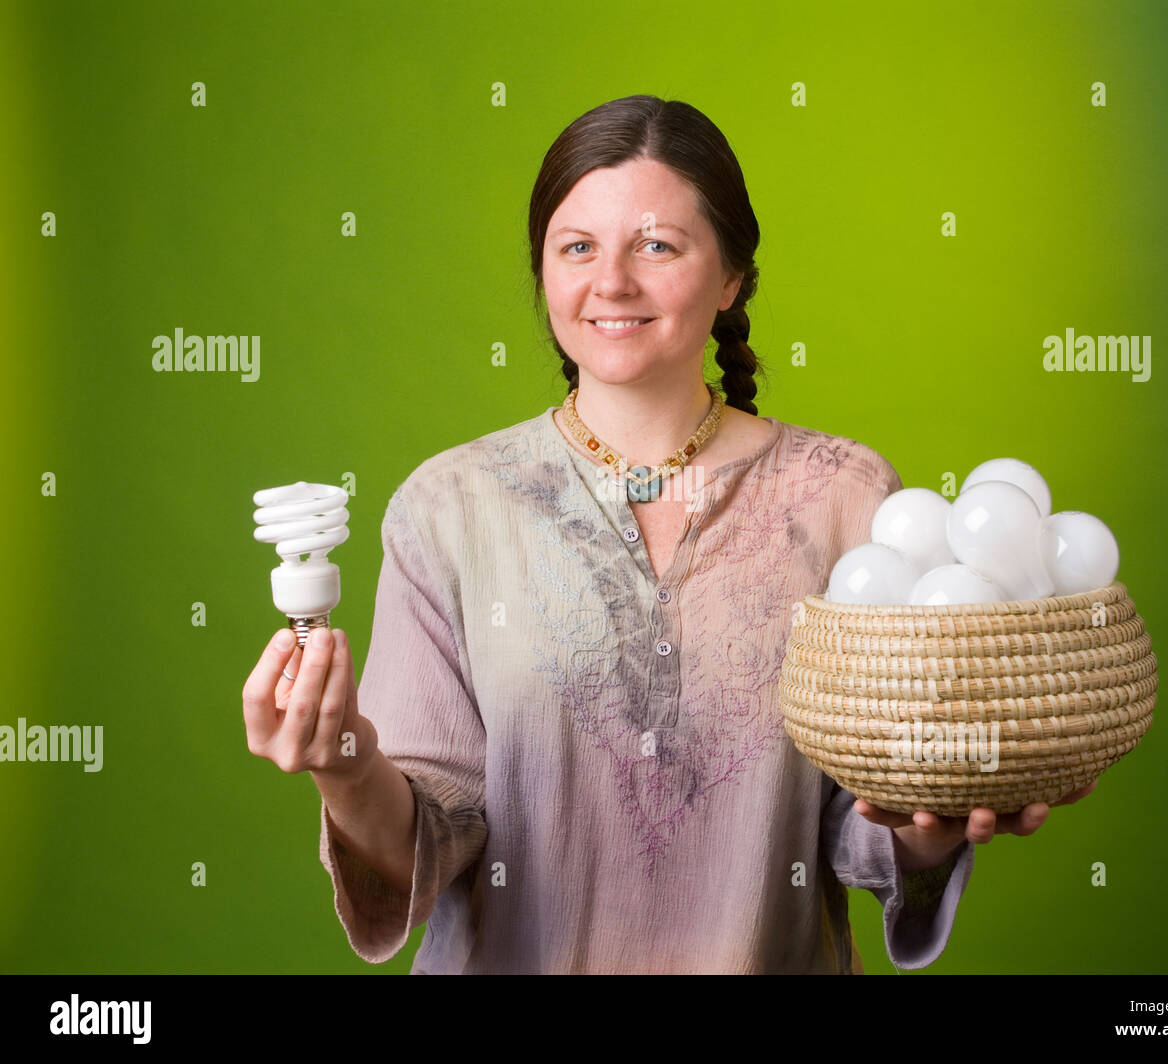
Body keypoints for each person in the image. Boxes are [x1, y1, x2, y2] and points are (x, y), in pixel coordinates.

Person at [241, 95, 1095, 974]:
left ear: (730, 278)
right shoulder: (450, 508)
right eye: (578, 247)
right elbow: (427, 847)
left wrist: (933, 825)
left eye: (656, 244)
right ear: (544, 272)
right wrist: (342, 761)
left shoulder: (845, 496)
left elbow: (859, 827)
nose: (611, 282)